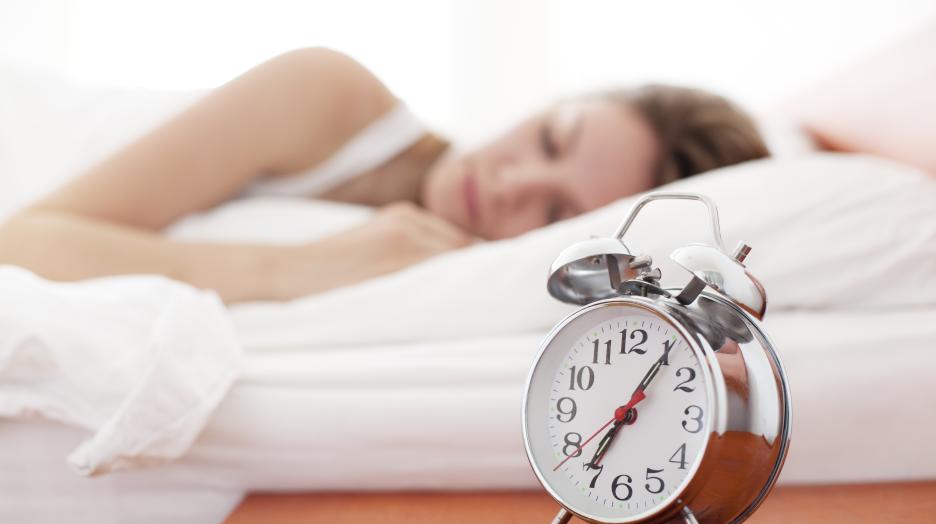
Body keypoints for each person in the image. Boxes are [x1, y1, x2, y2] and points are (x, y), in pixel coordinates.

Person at [0, 48, 769, 304]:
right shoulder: (328, 94)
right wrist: (297, 270)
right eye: (547, 136)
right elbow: (22, 241)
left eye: (554, 209)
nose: (513, 180)